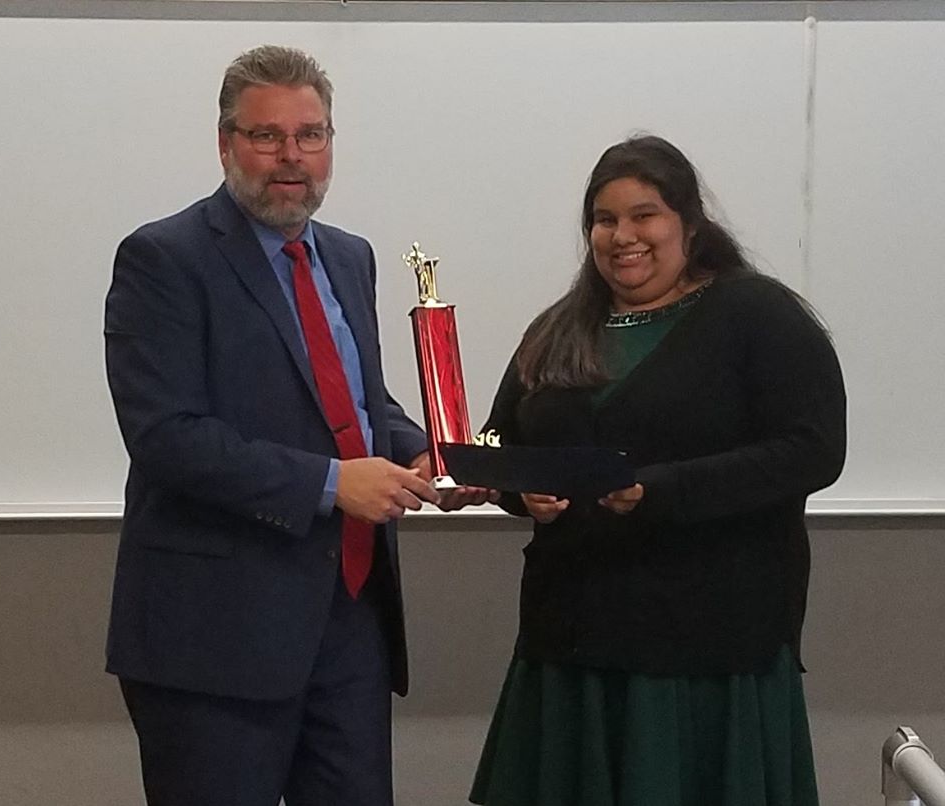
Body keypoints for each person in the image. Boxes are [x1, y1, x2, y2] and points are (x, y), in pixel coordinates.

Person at [104, 44, 478, 806]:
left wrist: (431, 457)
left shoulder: (350, 257)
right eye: (266, 135)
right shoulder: (162, 259)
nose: (291, 156)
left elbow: (366, 406)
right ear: (225, 143)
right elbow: (167, 436)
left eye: (311, 135)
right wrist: (333, 483)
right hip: (215, 640)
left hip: (350, 623)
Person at [469, 135, 846, 806]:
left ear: (688, 223)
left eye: (644, 215)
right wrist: (519, 493)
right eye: (604, 219)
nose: (623, 236)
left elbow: (813, 448)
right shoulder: (558, 329)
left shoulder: (756, 315)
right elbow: (505, 443)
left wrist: (661, 490)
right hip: (572, 645)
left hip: (706, 650)